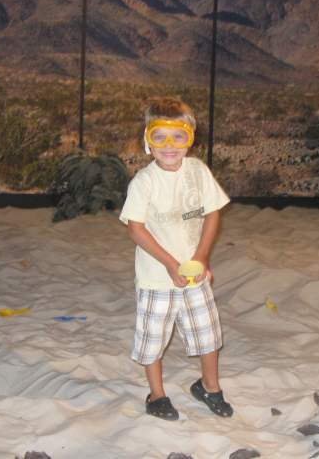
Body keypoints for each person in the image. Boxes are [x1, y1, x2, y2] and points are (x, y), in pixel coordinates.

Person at [119, 97, 233, 421]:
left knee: (208, 334)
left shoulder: (198, 171)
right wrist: (170, 263)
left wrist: (201, 257)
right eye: (160, 137)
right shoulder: (144, 182)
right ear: (147, 141)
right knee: (153, 340)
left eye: (179, 136)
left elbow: (212, 214)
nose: (169, 146)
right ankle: (157, 395)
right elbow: (136, 230)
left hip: (195, 275)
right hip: (157, 278)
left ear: (190, 139)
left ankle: (210, 387)